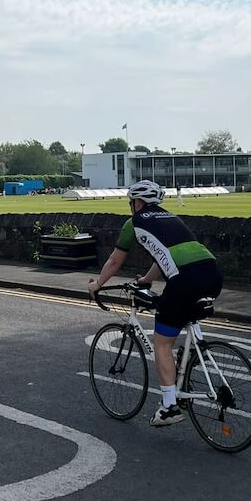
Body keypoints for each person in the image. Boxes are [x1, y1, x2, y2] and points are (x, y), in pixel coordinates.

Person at [88, 180, 222, 428]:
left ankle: (169, 407)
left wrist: (97, 284)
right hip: (212, 274)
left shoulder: (134, 222)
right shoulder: (170, 217)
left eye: (131, 203)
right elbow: (166, 255)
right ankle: (189, 362)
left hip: (185, 281)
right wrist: (147, 280)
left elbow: (115, 260)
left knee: (162, 342)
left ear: (137, 203)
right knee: (184, 316)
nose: (131, 207)